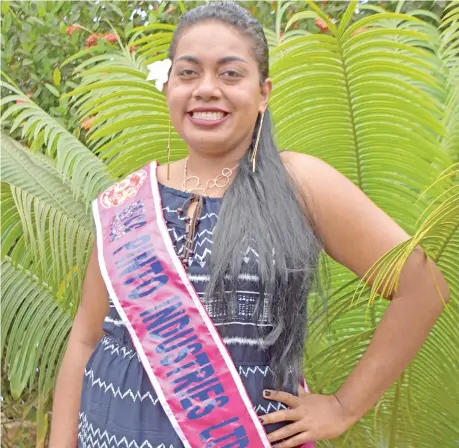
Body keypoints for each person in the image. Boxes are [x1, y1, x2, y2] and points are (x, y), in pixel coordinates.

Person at [49, 3, 449, 448]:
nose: (206, 89)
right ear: (168, 88)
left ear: (264, 93)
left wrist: (343, 407)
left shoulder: (300, 184)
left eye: (230, 74)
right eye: (187, 73)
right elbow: (85, 339)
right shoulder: (125, 202)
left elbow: (422, 286)